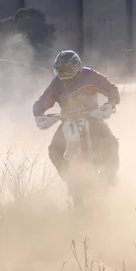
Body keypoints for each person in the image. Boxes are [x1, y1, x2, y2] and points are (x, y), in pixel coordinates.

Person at [33, 50, 121, 184]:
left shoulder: (90, 75)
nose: (64, 75)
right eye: (60, 71)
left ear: (77, 67)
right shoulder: (57, 83)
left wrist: (111, 102)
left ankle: (110, 174)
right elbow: (45, 99)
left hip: (93, 116)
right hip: (68, 122)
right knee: (54, 149)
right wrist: (38, 113)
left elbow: (111, 88)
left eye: (67, 70)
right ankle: (68, 178)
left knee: (111, 142)